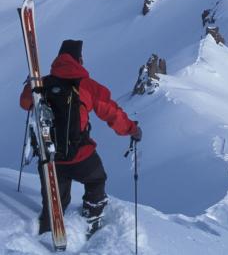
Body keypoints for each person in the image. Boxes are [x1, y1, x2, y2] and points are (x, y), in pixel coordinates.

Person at [20, 39, 142, 238]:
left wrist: (30, 86)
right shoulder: (88, 86)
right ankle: (91, 218)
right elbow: (111, 113)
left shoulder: (43, 82)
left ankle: (44, 232)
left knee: (55, 200)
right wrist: (132, 129)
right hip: (80, 155)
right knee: (96, 179)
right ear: (79, 59)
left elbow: (25, 104)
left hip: (50, 157)